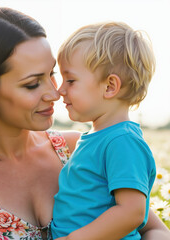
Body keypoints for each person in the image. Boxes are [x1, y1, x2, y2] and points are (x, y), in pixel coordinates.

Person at [0, 7, 170, 240]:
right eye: (32, 83)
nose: (55, 92)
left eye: (52, 73)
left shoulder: (77, 148)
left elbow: (150, 227)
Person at [51, 22, 157, 240]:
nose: (60, 90)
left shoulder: (122, 141)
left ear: (109, 87)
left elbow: (132, 212)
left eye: (70, 80)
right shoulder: (99, 138)